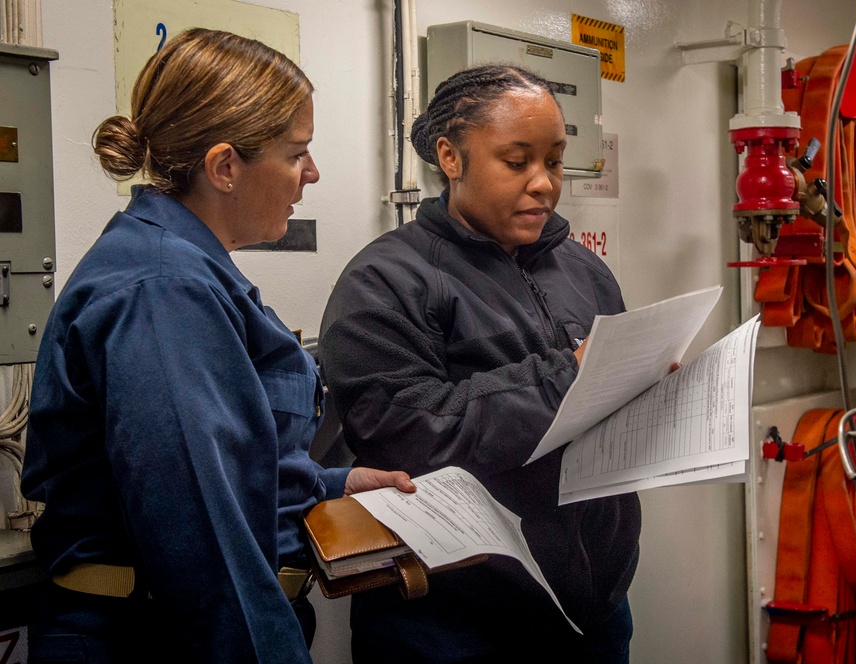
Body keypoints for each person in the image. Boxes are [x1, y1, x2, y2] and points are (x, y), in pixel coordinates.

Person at [21, 28, 414, 663]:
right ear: (225, 166)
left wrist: (331, 483)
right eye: (296, 154)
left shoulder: (183, 270)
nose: (311, 174)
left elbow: (230, 461)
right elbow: (204, 539)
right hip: (157, 638)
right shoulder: (165, 291)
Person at [318, 64, 640, 663]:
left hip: (593, 611)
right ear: (451, 156)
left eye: (555, 159)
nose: (544, 183)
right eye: (517, 162)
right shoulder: (385, 281)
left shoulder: (584, 271)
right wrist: (570, 375)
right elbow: (408, 433)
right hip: (452, 625)